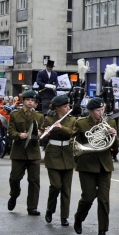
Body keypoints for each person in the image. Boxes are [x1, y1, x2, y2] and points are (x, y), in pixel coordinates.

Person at [73, 97, 119, 235]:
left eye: (102, 110)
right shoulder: (81, 123)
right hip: (87, 164)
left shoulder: (109, 123)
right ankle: (79, 218)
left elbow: (115, 146)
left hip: (104, 165)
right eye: (98, 110)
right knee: (88, 197)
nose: (101, 113)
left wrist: (113, 135)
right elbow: (73, 143)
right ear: (91, 111)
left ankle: (102, 231)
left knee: (104, 200)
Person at [40, 95, 76, 227]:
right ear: (58, 108)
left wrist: (61, 128)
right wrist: (47, 133)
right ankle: (50, 209)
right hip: (53, 155)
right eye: (65, 106)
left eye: (68, 106)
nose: (68, 108)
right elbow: (42, 140)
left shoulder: (72, 120)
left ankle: (64, 216)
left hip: (67, 154)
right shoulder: (48, 119)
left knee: (66, 189)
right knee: (55, 186)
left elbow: (74, 134)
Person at [7, 90, 43, 215]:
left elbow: (42, 131)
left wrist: (40, 133)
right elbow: (10, 131)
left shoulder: (39, 116)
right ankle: (14, 195)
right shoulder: (15, 114)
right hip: (19, 152)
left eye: (32, 101)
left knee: (34, 180)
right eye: (28, 100)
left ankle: (32, 207)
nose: (30, 102)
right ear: (23, 101)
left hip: (33, 152)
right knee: (15, 178)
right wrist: (19, 135)